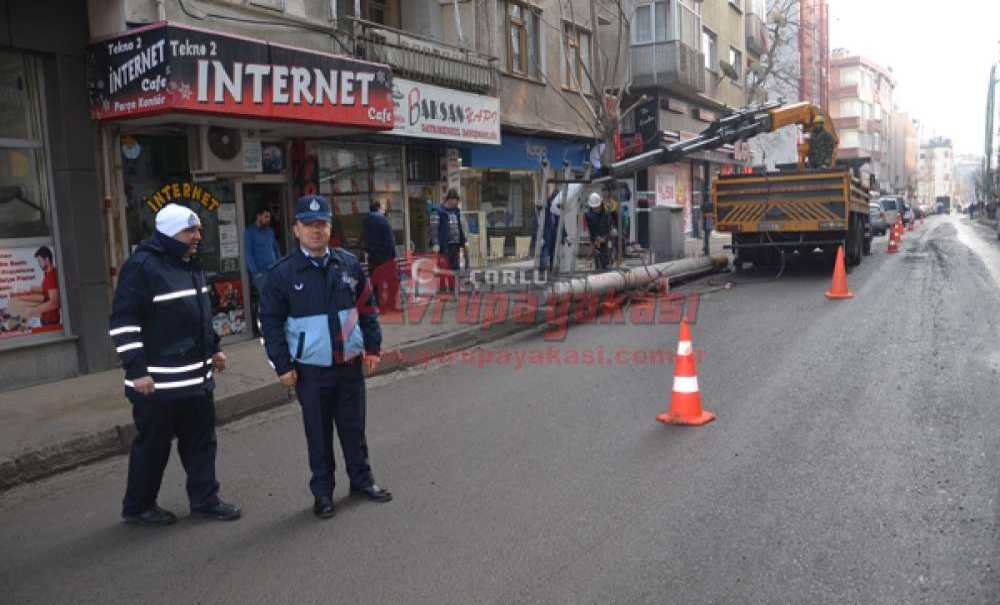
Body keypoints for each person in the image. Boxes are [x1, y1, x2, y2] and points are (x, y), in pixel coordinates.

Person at [260, 195, 392, 520]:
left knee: (353, 428)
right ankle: (323, 493)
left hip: (348, 365)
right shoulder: (282, 274)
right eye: (309, 225)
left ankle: (362, 481)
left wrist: (372, 347)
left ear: (330, 227)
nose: (316, 231)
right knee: (318, 436)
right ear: (296, 230)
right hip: (311, 371)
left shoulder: (347, 264)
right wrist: (282, 366)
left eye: (322, 225)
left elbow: (367, 309)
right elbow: (270, 324)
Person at [108, 203, 241, 526]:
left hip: (196, 380)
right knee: (153, 448)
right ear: (168, 233)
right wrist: (136, 370)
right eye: (189, 230)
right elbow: (124, 322)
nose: (197, 236)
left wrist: (214, 348)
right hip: (158, 386)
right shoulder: (141, 267)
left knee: (201, 444)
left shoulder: (190, 264)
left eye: (197, 230)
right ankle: (138, 506)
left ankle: (205, 500)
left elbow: (199, 314)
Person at [245, 208, 281, 335]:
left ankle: (274, 326)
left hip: (273, 271)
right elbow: (248, 253)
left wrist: (279, 264)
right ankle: (262, 329)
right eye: (266, 217)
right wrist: (255, 272)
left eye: (269, 217)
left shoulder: (270, 231)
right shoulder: (250, 232)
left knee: (276, 299)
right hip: (260, 274)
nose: (268, 220)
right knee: (264, 301)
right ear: (258, 216)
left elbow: (275, 249)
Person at [361, 200, 400, 312]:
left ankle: (379, 305)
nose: (384, 210)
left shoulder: (366, 221)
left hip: (372, 256)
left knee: (376, 282)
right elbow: (389, 240)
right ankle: (390, 304)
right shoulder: (383, 220)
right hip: (386, 256)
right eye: (382, 208)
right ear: (378, 208)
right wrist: (393, 255)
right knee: (393, 281)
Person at [431, 189, 467, 294]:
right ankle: (442, 289)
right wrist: (436, 243)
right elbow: (433, 229)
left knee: (454, 267)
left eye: (457, 202)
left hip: (455, 244)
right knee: (443, 267)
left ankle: (452, 288)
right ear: (449, 200)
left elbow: (459, 227)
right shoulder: (437, 211)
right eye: (454, 201)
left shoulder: (456, 211)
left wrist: (463, 241)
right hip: (443, 245)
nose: (455, 204)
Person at [14, 246, 60, 325]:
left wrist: (33, 310)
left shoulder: (51, 276)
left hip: (50, 321)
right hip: (47, 319)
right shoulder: (48, 274)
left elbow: (54, 302)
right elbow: (48, 293)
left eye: (39, 260)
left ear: (47, 259)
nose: (38, 264)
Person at [585, 192, 612, 271]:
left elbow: (610, 225)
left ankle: (607, 269)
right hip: (597, 240)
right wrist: (596, 239)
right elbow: (592, 230)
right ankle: (599, 271)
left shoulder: (606, 212)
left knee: (607, 260)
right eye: (593, 208)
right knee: (598, 258)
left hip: (607, 237)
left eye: (597, 207)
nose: (595, 209)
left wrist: (606, 236)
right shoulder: (589, 215)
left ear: (600, 204)